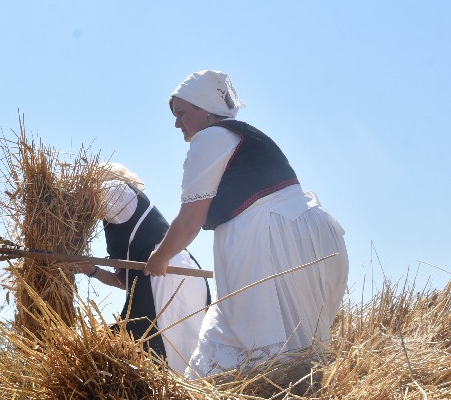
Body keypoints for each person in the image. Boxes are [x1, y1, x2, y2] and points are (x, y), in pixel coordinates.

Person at [145, 70, 349, 378]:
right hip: (312, 235)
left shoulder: (210, 137)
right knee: (300, 356)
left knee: (262, 357)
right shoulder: (243, 135)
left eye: (182, 113)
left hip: (271, 239)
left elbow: (190, 221)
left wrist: (159, 258)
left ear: (204, 108)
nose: (177, 123)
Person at [76, 163, 210, 374]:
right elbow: (125, 282)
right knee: (178, 346)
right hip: (172, 274)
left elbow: (74, 204)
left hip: (166, 275)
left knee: (153, 348)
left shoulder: (117, 190)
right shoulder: (118, 219)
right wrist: (92, 270)